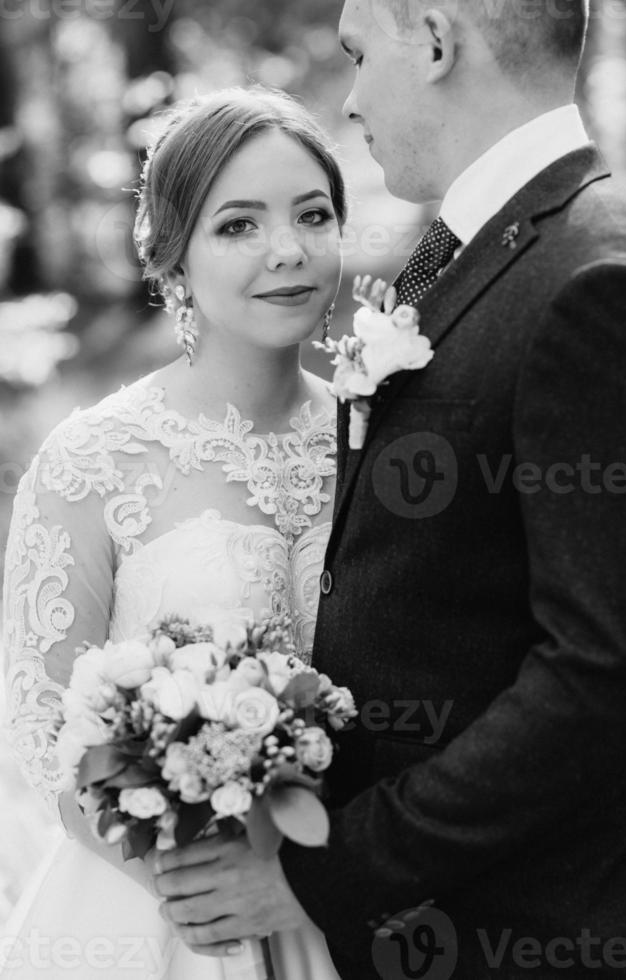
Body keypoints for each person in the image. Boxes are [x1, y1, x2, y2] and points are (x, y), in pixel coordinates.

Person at [152, 2, 626, 977]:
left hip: (535, 930)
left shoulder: (594, 273)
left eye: (357, 53)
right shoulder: (489, 250)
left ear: (432, 38)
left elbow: (594, 675)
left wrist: (331, 866)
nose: (350, 99)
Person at [1, 85, 345, 979]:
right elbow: (44, 735)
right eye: (239, 225)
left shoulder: (382, 442)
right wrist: (185, 882)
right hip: (146, 920)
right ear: (173, 258)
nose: (287, 251)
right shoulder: (90, 464)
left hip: (347, 902)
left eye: (313, 215)